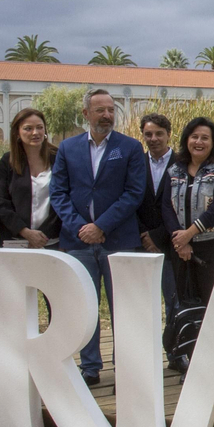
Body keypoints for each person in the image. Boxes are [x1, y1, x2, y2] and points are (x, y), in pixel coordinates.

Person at [50, 88, 148, 385]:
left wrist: (101, 226)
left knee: (123, 307)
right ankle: (90, 367)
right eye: (100, 110)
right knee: (84, 306)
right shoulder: (67, 148)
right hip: (78, 241)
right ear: (86, 114)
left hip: (118, 240)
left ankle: (126, 366)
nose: (107, 115)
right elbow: (58, 193)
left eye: (110, 110)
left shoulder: (130, 148)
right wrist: (81, 226)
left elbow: (134, 193)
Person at [162, 115, 214, 311]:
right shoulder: (174, 170)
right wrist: (180, 240)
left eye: (205, 138)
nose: (199, 142)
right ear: (187, 139)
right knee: (186, 306)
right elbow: (166, 207)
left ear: (213, 143)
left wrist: (189, 233)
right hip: (181, 250)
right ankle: (189, 343)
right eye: (194, 137)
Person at [0, 108, 61, 249]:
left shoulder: (58, 159)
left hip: (51, 241)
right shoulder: (8, 162)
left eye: (39, 127)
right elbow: (1, 203)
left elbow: (64, 198)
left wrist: (42, 235)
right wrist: (25, 232)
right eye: (28, 128)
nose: (35, 133)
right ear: (17, 133)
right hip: (15, 242)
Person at [136, 113, 178, 324]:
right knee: (142, 302)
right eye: (148, 134)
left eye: (159, 134)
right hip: (140, 243)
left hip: (171, 243)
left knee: (174, 301)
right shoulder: (135, 163)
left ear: (168, 135)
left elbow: (182, 207)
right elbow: (130, 200)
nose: (153, 138)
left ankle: (175, 352)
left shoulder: (182, 163)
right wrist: (145, 235)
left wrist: (158, 236)